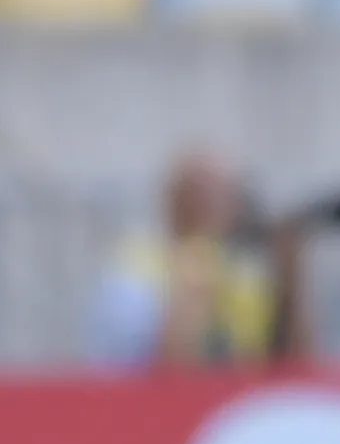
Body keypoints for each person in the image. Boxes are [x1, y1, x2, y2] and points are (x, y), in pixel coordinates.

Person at [88, 151, 314, 370]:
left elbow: (293, 366)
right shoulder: (136, 270)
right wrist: (198, 260)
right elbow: (170, 369)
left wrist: (290, 277)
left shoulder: (243, 273)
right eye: (220, 196)